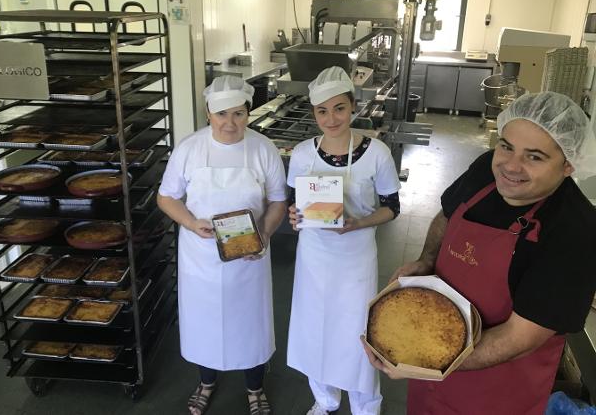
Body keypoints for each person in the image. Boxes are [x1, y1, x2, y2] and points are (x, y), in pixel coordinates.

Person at [362, 91, 596, 415]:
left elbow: (519, 339)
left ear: (568, 164)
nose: (510, 166)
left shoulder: (575, 232)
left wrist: (428, 360)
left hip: (496, 393)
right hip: (432, 367)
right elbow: (447, 214)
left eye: (535, 157)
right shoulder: (487, 168)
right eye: (506, 146)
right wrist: (427, 259)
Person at [157, 75, 287, 415]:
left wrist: (265, 233)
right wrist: (189, 221)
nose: (230, 123)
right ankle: (206, 382)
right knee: (204, 322)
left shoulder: (263, 148)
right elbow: (166, 197)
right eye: (221, 114)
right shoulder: (189, 148)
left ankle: (255, 388)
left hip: (250, 256)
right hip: (201, 257)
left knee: (251, 323)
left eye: (239, 114)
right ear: (208, 113)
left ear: (249, 112)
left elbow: (277, 201)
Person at [287, 66, 402, 415]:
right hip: (313, 256)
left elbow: (392, 208)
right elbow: (297, 203)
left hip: (355, 256)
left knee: (357, 333)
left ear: (353, 106)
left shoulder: (377, 152)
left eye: (339, 108)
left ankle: (366, 406)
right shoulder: (303, 153)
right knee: (314, 328)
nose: (331, 118)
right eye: (322, 111)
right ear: (314, 114)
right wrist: (295, 217)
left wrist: (359, 223)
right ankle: (324, 399)